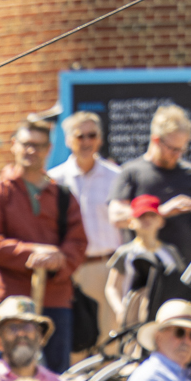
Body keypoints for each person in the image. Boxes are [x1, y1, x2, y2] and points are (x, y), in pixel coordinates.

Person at [0, 122, 86, 376]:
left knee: (56, 375)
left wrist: (59, 259)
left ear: (48, 149)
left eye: (37, 146)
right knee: (6, 372)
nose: (30, 151)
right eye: (25, 144)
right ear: (14, 145)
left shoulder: (62, 193)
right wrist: (32, 253)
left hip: (55, 297)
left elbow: (78, 241)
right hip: (10, 299)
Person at [106, 104, 191, 270]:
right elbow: (116, 217)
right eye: (172, 149)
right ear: (156, 140)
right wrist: (160, 211)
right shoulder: (132, 172)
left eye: (182, 149)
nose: (177, 155)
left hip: (185, 270)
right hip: (143, 270)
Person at [47, 114, 122, 352]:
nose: (86, 141)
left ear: (100, 139)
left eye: (92, 135)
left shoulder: (116, 177)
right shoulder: (55, 180)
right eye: (80, 136)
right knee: (75, 344)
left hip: (108, 268)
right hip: (71, 271)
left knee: (109, 342)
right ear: (68, 140)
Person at [103, 195, 189, 333]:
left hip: (165, 314)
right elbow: (112, 287)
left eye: (152, 216)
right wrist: (120, 310)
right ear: (131, 222)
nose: (147, 220)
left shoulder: (170, 252)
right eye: (142, 217)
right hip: (134, 314)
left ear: (161, 221)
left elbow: (180, 283)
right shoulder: (126, 253)